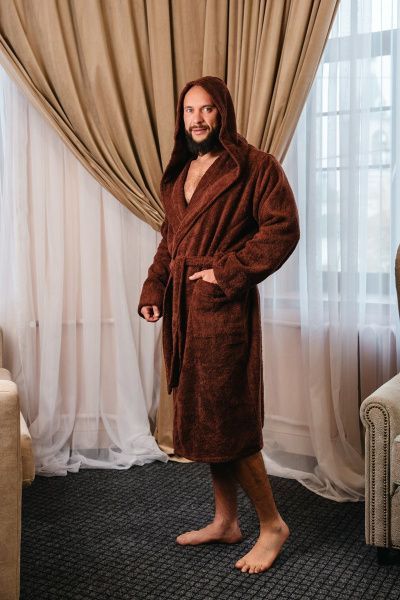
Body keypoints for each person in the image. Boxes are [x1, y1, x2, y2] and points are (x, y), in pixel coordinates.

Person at [138, 76, 300, 574]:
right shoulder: (179, 173)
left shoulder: (255, 167)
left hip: (222, 309)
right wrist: (154, 287)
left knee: (231, 420)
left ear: (222, 112)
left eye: (207, 109)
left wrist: (226, 273)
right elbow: (170, 242)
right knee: (208, 421)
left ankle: (272, 525)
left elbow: (283, 229)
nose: (198, 119)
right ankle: (226, 521)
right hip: (185, 312)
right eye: (189, 110)